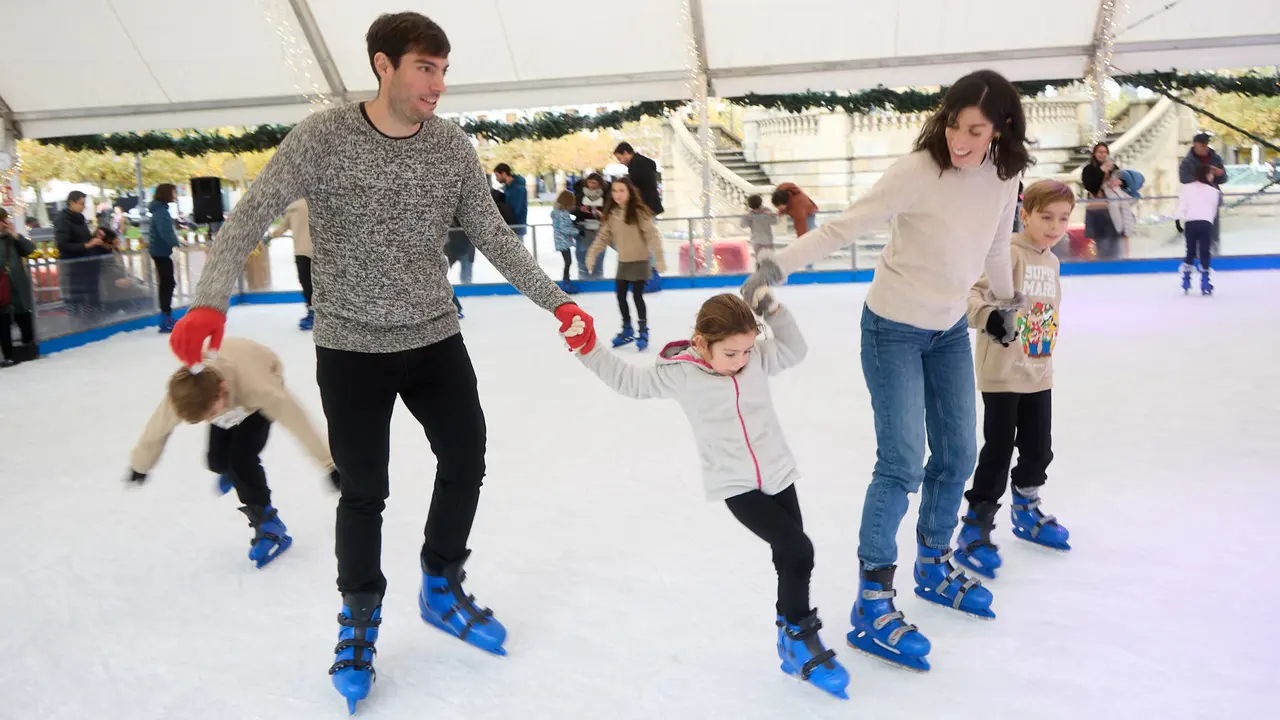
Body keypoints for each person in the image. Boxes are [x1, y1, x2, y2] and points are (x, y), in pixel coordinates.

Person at [162, 12, 598, 713]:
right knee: (364, 491)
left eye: (444, 69)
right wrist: (211, 300)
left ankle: (440, 581)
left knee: (468, 460)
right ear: (383, 65)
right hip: (351, 347)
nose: (438, 84)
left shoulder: (451, 147)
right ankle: (359, 622)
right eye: (425, 68)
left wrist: (559, 302)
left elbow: (492, 234)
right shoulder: (323, 138)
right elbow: (252, 213)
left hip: (434, 338)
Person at [741, 69, 1031, 672]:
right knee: (902, 460)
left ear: (1001, 127)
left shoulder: (1005, 175)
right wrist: (778, 266)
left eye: (974, 128)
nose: (959, 138)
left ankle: (932, 564)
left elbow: (997, 245)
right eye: (953, 123)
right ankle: (872, 603)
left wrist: (1003, 305)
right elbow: (845, 225)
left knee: (956, 453)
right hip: (893, 328)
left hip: (949, 327)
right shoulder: (917, 172)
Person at [567, 291, 849, 699]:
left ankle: (790, 641)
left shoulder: (756, 360)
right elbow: (629, 381)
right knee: (799, 550)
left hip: (778, 473)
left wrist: (773, 311)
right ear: (702, 343)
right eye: (731, 353)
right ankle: (799, 636)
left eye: (748, 351)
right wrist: (588, 349)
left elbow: (795, 349)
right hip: (736, 484)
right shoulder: (681, 373)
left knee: (790, 558)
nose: (741, 362)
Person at [125, 337, 340, 568]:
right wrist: (140, 465)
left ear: (221, 390)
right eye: (204, 418)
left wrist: (330, 465)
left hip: (256, 388)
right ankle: (232, 470)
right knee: (216, 461)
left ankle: (269, 526)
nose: (210, 420)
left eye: (211, 413)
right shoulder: (186, 393)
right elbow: (156, 429)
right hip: (224, 386)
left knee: (241, 460)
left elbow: (299, 422)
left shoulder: (261, 390)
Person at [955, 180, 1074, 581]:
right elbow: (969, 295)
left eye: (1063, 218)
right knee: (999, 450)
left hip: (1039, 371)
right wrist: (991, 318)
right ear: (1025, 214)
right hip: (1003, 373)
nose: (1055, 226)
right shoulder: (1006, 252)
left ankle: (1026, 507)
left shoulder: (1052, 261)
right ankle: (976, 525)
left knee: (1039, 450)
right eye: (1046, 217)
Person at [586, 175, 665, 352]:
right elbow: (603, 237)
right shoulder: (613, 214)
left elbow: (653, 235)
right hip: (624, 261)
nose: (618, 194)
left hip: (640, 260)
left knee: (637, 296)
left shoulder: (639, 212)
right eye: (614, 191)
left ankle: (643, 330)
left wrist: (658, 258)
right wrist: (592, 254)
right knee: (620, 295)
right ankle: (627, 328)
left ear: (629, 192)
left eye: (622, 190)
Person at [1177, 163, 1223, 295]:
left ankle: (1186, 279)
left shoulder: (1187, 188)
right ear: (1206, 174)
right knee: (1204, 251)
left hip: (1190, 223)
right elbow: (1213, 208)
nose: (1212, 176)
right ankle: (1204, 281)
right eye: (1211, 174)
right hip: (1205, 223)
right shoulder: (1214, 191)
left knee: (1190, 251)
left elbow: (1183, 205)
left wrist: (1178, 218)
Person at [268, 198, 314, 330]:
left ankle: (312, 312)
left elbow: (283, 227)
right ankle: (318, 312)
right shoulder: (317, 202)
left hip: (302, 251)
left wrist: (269, 237)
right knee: (319, 283)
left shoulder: (293, 207)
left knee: (306, 283)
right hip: (320, 252)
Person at [0, 208, 36, 367]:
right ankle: (8, 355)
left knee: (24, 317)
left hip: (18, 287)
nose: (4, 223)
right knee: (3, 322)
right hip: (2, 289)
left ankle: (29, 350)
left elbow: (30, 250)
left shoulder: (11, 238)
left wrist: (16, 235)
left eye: (4, 219)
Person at [148, 183, 183, 333]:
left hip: (160, 252)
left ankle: (166, 317)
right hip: (162, 252)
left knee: (168, 283)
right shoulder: (161, 212)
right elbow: (165, 232)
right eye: (174, 192)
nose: (175, 195)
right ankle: (165, 319)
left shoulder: (160, 210)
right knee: (167, 284)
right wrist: (174, 245)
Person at [573, 172, 607, 280]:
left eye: (594, 183)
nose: (592, 185)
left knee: (599, 251)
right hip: (583, 225)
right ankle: (583, 272)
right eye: (590, 182)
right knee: (582, 250)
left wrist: (601, 213)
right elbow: (571, 208)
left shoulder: (605, 195)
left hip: (599, 225)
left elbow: (609, 210)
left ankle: (598, 273)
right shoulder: (579, 194)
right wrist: (580, 209)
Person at [550, 190, 580, 291]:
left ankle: (566, 282)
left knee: (568, 262)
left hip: (561, 241)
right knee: (568, 262)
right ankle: (566, 283)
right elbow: (564, 229)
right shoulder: (563, 214)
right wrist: (578, 231)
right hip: (563, 241)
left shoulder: (558, 213)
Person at [493, 163, 527, 238]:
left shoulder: (519, 189)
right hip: (508, 226)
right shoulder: (506, 188)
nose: (496, 179)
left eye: (497, 175)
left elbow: (517, 209)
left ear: (504, 174)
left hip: (517, 227)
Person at [741, 194, 775, 265]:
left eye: (757, 208)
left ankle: (772, 274)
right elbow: (743, 225)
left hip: (767, 240)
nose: (756, 211)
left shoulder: (767, 210)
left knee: (771, 260)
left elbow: (774, 222)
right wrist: (746, 217)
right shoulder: (749, 213)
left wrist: (771, 215)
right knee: (759, 260)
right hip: (756, 240)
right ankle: (760, 273)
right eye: (754, 209)